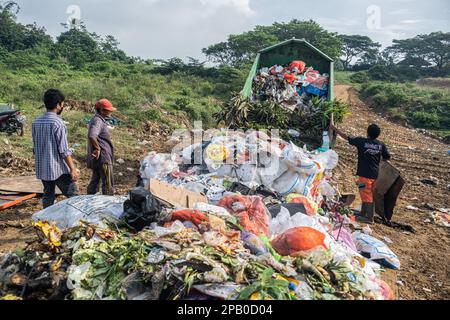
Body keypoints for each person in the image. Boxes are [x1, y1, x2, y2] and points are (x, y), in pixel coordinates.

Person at [331, 123, 391, 224]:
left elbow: (347, 137)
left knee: (366, 194)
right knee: (367, 193)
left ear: (367, 132)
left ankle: (369, 218)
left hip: (365, 175)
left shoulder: (362, 141)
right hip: (375, 174)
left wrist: (334, 129)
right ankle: (363, 213)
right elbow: (387, 157)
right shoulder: (381, 144)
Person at [32, 89, 79, 208]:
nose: (62, 106)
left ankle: (46, 220)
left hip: (43, 167)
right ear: (58, 105)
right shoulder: (58, 123)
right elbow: (63, 150)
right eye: (62, 103)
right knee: (74, 196)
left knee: (48, 195)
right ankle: (78, 218)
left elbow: (35, 147)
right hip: (58, 168)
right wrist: (72, 168)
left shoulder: (36, 122)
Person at [87, 99, 116, 195]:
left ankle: (89, 201)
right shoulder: (98, 121)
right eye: (108, 110)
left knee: (95, 182)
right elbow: (92, 135)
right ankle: (107, 205)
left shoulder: (97, 120)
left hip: (99, 158)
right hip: (103, 158)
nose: (110, 111)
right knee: (108, 185)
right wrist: (97, 148)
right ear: (102, 110)